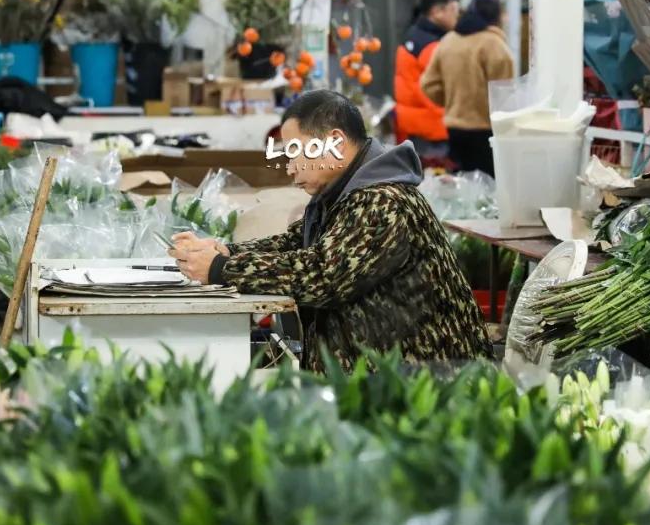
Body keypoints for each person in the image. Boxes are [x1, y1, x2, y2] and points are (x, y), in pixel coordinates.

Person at [169, 90, 491, 372]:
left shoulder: (382, 201)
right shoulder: (340, 196)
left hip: (426, 384)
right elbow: (294, 243)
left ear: (335, 141)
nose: (291, 168)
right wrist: (227, 251)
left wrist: (220, 268)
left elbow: (324, 275)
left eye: (296, 152)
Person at [421, 0, 514, 176]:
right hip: (486, 130)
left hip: (454, 129)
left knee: (462, 184)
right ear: (496, 16)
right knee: (488, 188)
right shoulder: (494, 45)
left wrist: (451, 101)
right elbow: (504, 95)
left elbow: (428, 84)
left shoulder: (448, 41)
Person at [393, 0, 461, 156]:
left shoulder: (413, 35)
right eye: (453, 9)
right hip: (433, 130)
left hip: (413, 126)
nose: (457, 15)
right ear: (437, 12)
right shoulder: (432, 46)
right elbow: (446, 86)